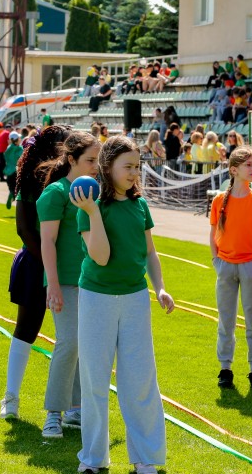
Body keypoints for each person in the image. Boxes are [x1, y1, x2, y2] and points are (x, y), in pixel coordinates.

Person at [71, 136, 174, 474]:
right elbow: (100, 258)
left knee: (140, 380)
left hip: (134, 300)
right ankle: (94, 458)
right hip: (97, 299)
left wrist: (159, 288)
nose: (134, 173)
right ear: (107, 166)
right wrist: (92, 212)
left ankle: (146, 458)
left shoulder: (140, 206)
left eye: (137, 167)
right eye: (127, 166)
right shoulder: (88, 206)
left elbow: (150, 253)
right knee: (95, 380)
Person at [0, 126, 71, 419]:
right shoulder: (30, 180)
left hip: (68, 266)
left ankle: (70, 408)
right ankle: (11, 398)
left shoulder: (74, 178)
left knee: (71, 338)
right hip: (35, 263)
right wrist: (48, 261)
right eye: (65, 147)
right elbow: (24, 228)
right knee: (27, 330)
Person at [37, 132, 100, 438]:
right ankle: (53, 413)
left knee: (85, 346)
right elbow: (47, 242)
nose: (95, 166)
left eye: (98, 160)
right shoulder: (56, 193)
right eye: (90, 160)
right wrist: (53, 285)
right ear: (72, 160)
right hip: (64, 282)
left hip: (94, 282)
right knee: (69, 343)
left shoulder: (96, 192)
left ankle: (76, 408)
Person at [210, 147, 252, 391]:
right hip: (225, 266)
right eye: (249, 165)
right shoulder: (218, 201)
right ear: (234, 170)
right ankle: (226, 368)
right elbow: (214, 233)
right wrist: (216, 260)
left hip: (250, 268)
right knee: (226, 320)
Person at [3, 132, 23, 209]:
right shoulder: (19, 149)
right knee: (17, 189)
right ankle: (12, 196)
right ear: (16, 140)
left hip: (8, 171)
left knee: (11, 187)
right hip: (16, 171)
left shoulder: (8, 148)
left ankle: (11, 195)